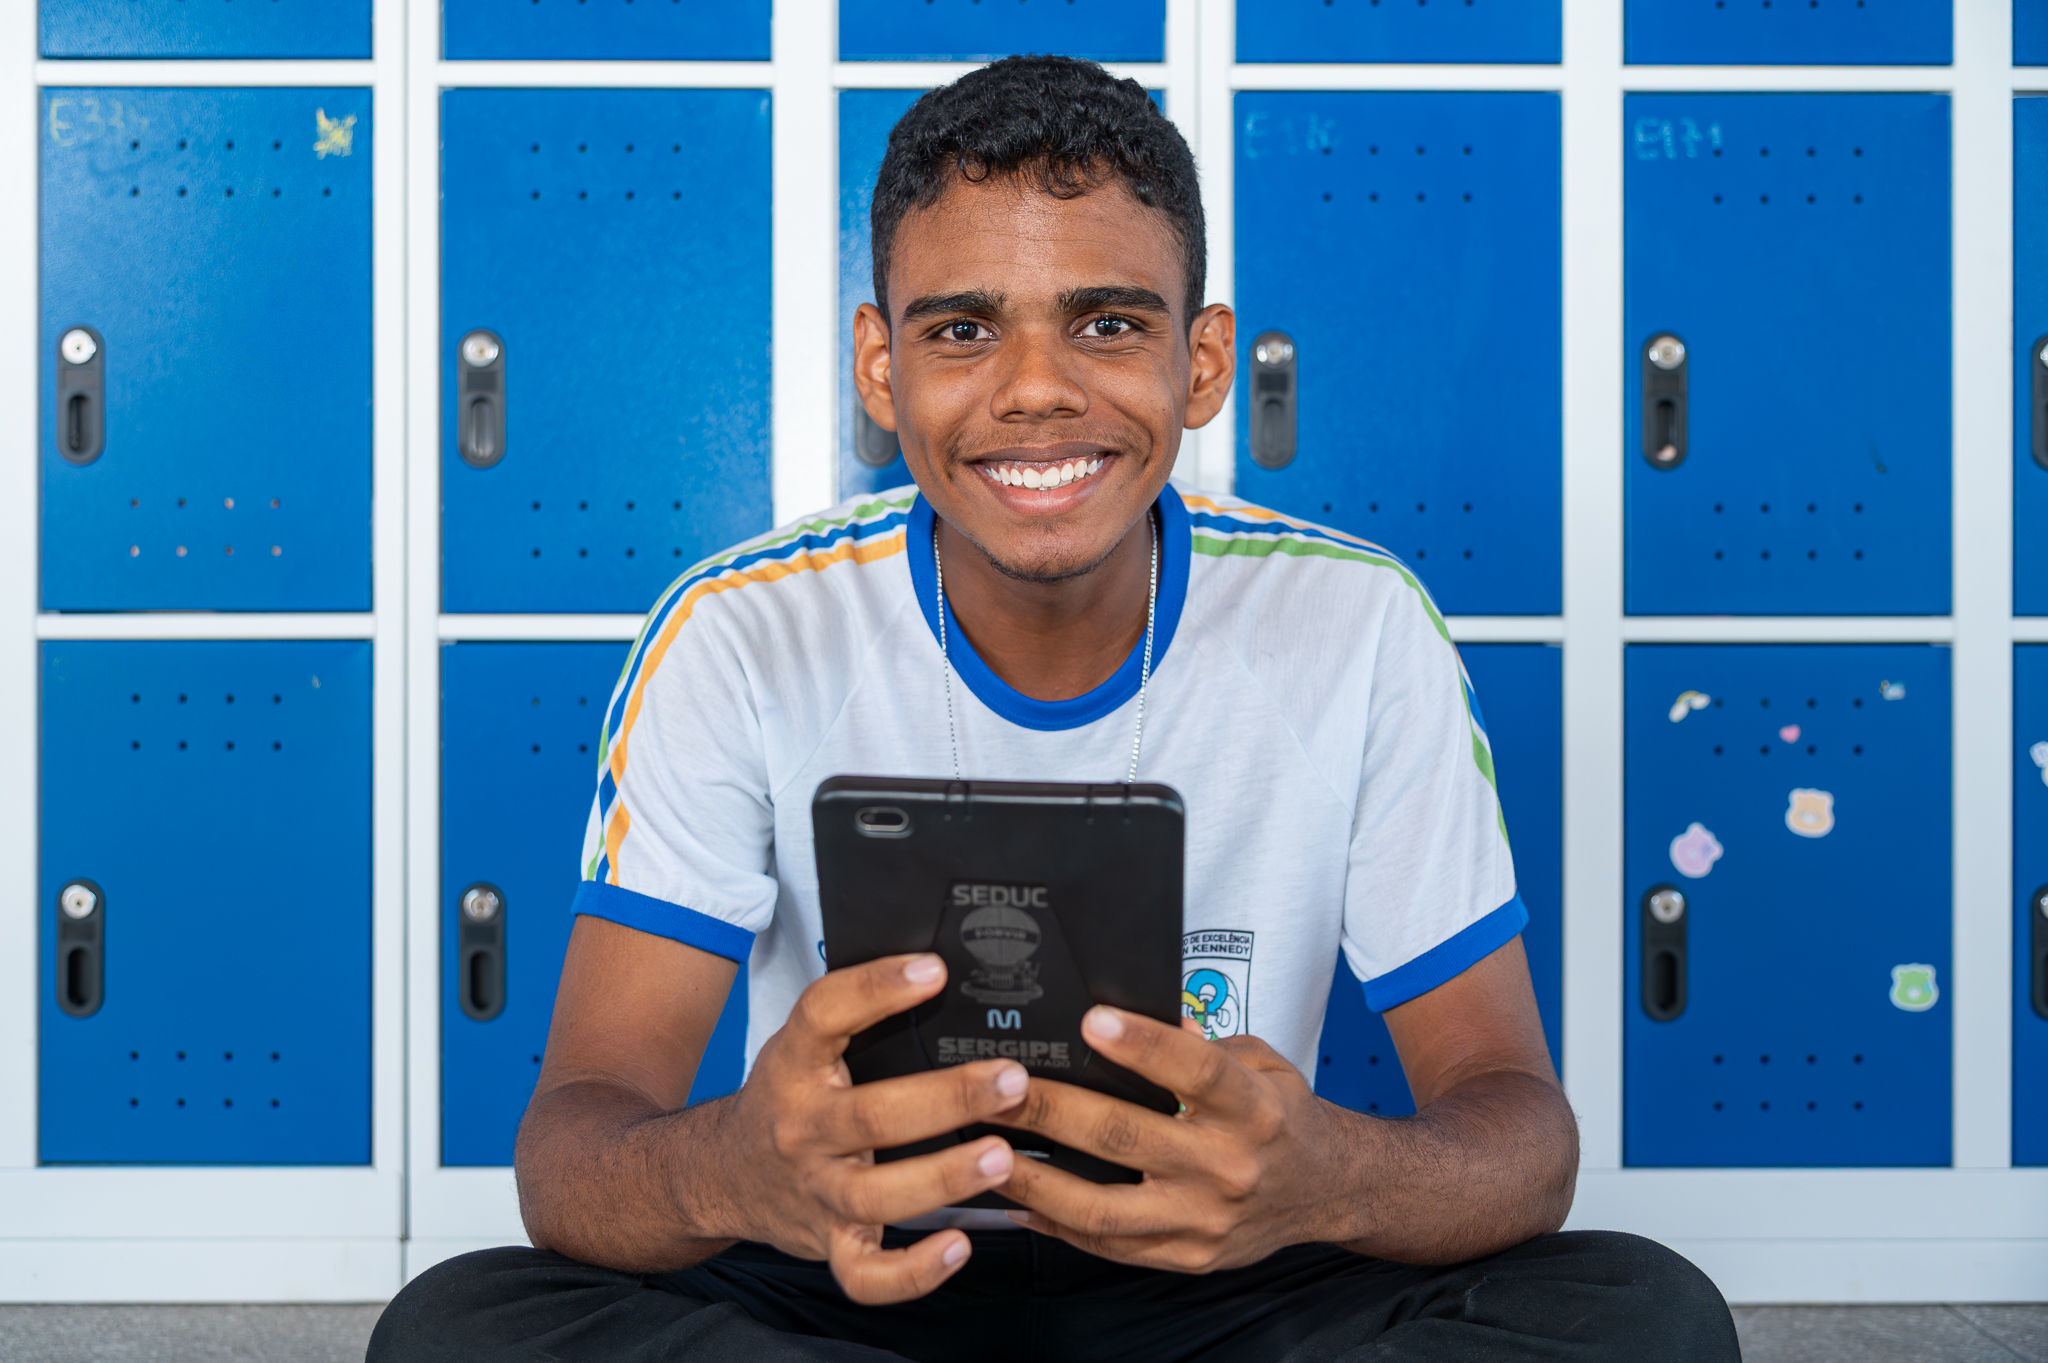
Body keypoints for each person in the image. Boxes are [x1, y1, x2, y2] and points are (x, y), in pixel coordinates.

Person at [372, 55, 1739, 1363]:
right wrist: (736, 1163)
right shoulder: (740, 631)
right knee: (460, 1329)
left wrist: (1329, 1175)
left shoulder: (1357, 620)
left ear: (1201, 364)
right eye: (962, 330)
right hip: (849, 1274)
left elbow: (1517, 1130)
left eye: (1108, 323)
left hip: (1221, 1273)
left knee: (1642, 1313)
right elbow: (576, 1148)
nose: (1036, 389)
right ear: (880, 366)